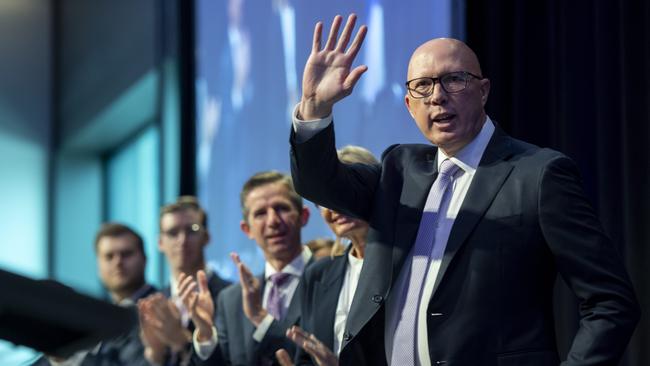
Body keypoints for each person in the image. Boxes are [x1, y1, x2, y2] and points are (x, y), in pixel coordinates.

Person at [289, 14, 640, 366]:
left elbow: (611, 301)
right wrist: (316, 108)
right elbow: (320, 183)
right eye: (423, 86)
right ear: (410, 106)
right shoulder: (398, 169)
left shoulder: (539, 175)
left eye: (454, 80)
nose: (438, 96)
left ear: (484, 90)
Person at [181, 171, 315, 365]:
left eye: (282, 208)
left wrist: (260, 318)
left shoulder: (329, 279)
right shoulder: (231, 300)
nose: (273, 221)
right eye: (260, 213)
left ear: (303, 216)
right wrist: (205, 333)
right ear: (247, 229)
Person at [282, 145, 377, 366]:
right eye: (323, 199)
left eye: (343, 191)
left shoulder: (408, 264)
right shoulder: (317, 275)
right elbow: (306, 357)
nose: (333, 205)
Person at [32, 223, 157, 366]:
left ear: (145, 259)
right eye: (109, 256)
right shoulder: (95, 316)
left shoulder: (164, 310)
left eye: (126, 254)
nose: (118, 262)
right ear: (98, 264)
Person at [138, 196, 230, 365]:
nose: (182, 240)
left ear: (206, 237)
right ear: (160, 243)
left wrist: (182, 340)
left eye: (192, 230)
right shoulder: (154, 303)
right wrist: (155, 354)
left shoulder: (231, 296)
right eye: (173, 232)